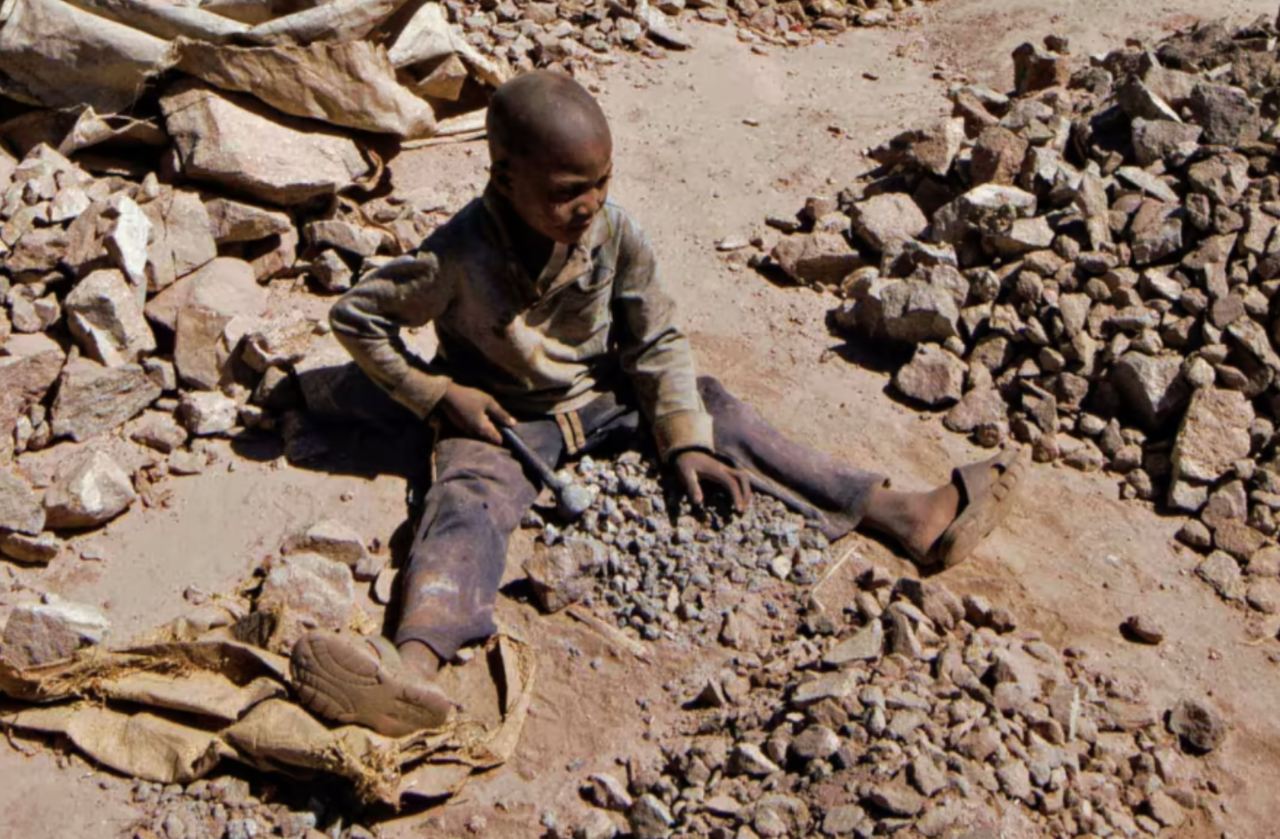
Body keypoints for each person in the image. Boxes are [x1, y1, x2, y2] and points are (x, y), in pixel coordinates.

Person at [289, 71, 1028, 737]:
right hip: (507, 421)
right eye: (566, 190)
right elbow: (358, 317)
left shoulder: (614, 235)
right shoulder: (456, 254)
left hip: (606, 398)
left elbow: (658, 340)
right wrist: (436, 391)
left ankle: (900, 513)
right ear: (505, 176)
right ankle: (413, 665)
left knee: (713, 406)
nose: (588, 204)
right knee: (464, 501)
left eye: (600, 182)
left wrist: (685, 441)